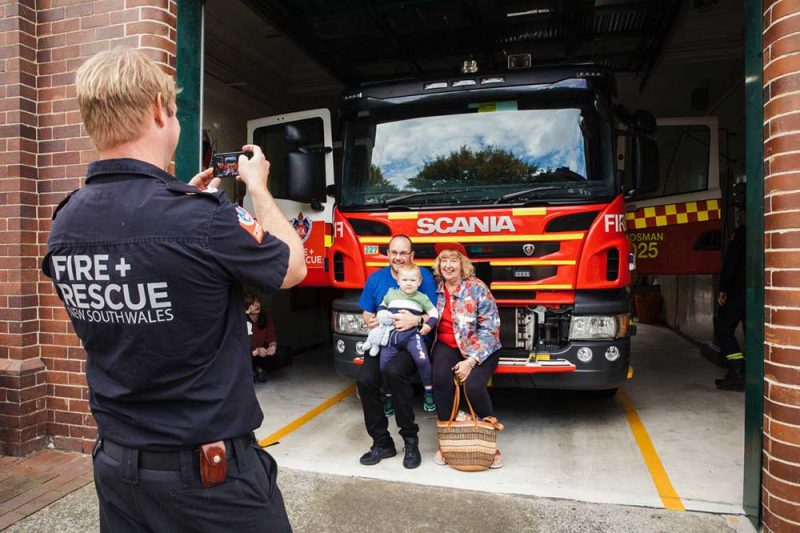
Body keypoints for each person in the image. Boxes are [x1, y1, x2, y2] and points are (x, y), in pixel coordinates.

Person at [41, 48, 305, 532]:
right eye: (177, 112)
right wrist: (259, 189)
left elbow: (134, 275)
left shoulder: (65, 222)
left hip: (119, 475)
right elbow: (291, 268)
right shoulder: (200, 219)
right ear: (160, 108)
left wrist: (182, 206)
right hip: (211, 485)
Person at [357, 235, 437, 469]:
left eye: (403, 253)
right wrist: (369, 319)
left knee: (394, 373)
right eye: (394, 252)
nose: (398, 257)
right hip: (384, 339)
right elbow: (366, 311)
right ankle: (382, 442)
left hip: (413, 340)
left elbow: (434, 312)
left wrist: (416, 319)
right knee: (365, 380)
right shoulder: (376, 278)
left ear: (412, 256)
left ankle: (410, 441)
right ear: (388, 254)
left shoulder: (424, 277)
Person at [429, 244, 504, 469]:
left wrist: (471, 361)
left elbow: (491, 328)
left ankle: (490, 444)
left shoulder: (477, 288)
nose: (448, 265)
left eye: (453, 260)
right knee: (441, 379)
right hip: (447, 344)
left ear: (462, 265)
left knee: (472, 386)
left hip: (481, 346)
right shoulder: (436, 290)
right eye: (444, 260)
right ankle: (446, 441)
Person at [372, 264, 439, 412]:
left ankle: (428, 392)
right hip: (391, 338)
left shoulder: (421, 298)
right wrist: (382, 315)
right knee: (383, 366)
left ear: (419, 282)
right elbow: (382, 306)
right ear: (398, 280)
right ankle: (389, 396)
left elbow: (434, 313)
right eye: (405, 280)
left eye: (413, 280)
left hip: (411, 336)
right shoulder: (391, 294)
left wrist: (429, 325)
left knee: (422, 360)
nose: (409, 283)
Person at [714, 199, 746, 391]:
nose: (739, 216)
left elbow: (731, 263)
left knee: (723, 327)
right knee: (753, 332)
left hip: (737, 292)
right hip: (756, 293)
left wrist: (723, 287)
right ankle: (748, 370)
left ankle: (736, 370)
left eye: (742, 213)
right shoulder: (764, 233)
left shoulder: (740, 235)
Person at [245, 292, 293, 383]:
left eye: (257, 301)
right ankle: (254, 370)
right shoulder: (242, 320)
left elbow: (271, 336)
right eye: (252, 303)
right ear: (245, 308)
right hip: (248, 353)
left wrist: (272, 347)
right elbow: (241, 344)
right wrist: (257, 350)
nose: (256, 305)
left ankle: (259, 369)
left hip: (263, 352)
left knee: (286, 352)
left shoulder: (265, 317)